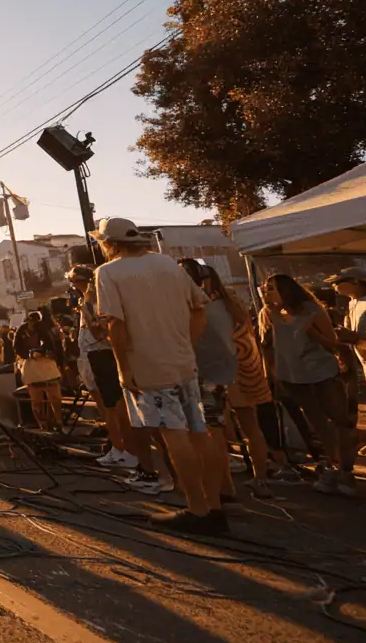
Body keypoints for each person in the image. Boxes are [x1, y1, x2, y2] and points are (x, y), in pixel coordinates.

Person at [93, 217, 224, 534]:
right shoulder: (167, 264)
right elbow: (199, 310)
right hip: (182, 361)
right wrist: (187, 344)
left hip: (148, 365)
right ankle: (215, 507)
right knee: (197, 430)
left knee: (173, 435)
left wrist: (124, 370)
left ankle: (197, 509)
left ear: (107, 243)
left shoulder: (107, 273)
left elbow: (115, 325)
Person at [181, 260, 274, 500]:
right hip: (244, 368)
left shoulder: (200, 307)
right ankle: (260, 479)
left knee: (215, 430)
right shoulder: (233, 303)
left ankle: (225, 485)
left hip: (215, 372)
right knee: (251, 427)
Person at [260, 273, 357, 497]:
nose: (267, 292)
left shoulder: (311, 310)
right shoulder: (269, 313)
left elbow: (332, 341)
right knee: (317, 423)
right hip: (292, 376)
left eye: (272, 288)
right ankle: (331, 466)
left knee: (339, 420)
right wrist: (272, 376)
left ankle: (346, 472)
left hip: (320, 372)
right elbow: (268, 347)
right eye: (266, 288)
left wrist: (310, 331)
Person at [67, 266, 140, 471]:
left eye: (74, 281)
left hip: (101, 353)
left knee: (115, 406)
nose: (71, 286)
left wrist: (86, 310)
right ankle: (117, 447)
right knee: (106, 407)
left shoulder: (94, 299)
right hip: (91, 355)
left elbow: (100, 330)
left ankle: (129, 450)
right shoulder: (87, 300)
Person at [329, 267, 366, 395]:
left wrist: (355, 338)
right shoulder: (352, 303)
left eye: (339, 282)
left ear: (356, 282)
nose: (334, 285)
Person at [14, 310, 64, 431]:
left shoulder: (44, 329)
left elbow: (54, 346)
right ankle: (43, 424)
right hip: (31, 366)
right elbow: (17, 348)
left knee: (55, 397)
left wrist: (49, 354)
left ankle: (58, 422)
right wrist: (29, 354)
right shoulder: (21, 331)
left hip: (47, 365)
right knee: (37, 400)